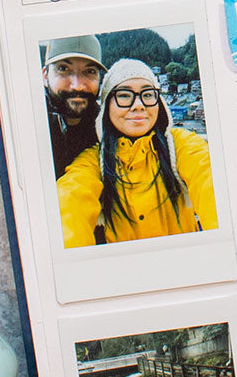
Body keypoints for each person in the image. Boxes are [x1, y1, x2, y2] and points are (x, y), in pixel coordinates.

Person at [57, 58, 217, 248]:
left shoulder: (182, 145)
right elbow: (69, 204)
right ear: (107, 106)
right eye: (124, 96)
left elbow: (210, 180)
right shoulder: (93, 162)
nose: (139, 105)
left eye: (147, 94)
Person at [43, 35, 104, 178]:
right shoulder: (26, 127)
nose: (77, 85)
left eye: (90, 71)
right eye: (63, 68)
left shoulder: (107, 128)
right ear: (45, 76)